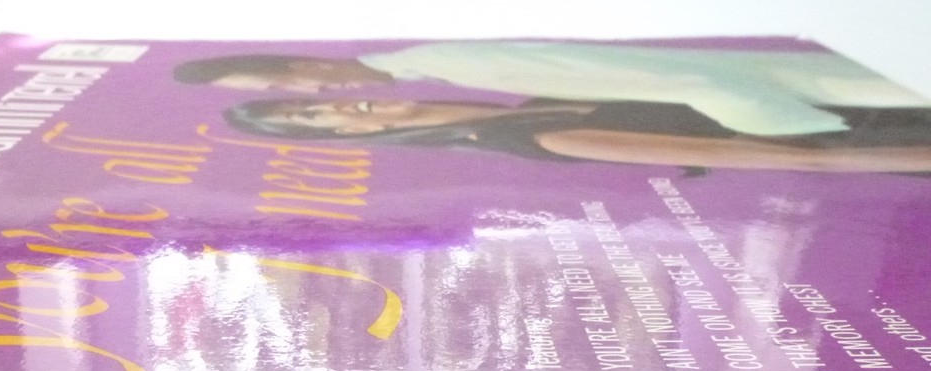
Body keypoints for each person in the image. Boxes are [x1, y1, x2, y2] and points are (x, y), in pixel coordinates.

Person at [176, 40, 931, 139]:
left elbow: (684, 78)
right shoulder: (445, 79)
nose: (320, 92)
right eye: (302, 107)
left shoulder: (453, 57)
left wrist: (789, 124)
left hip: (809, 86)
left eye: (286, 79)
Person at [221, 96, 931, 173]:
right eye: (314, 121)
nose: (333, 106)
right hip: (881, 134)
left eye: (311, 102)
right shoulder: (540, 134)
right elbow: (801, 162)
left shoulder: (526, 101)